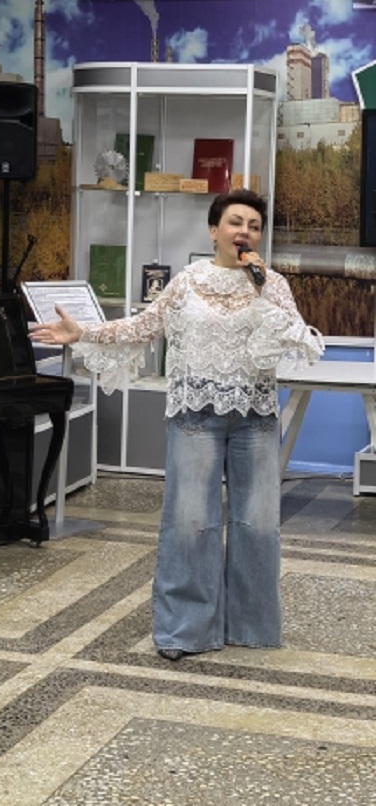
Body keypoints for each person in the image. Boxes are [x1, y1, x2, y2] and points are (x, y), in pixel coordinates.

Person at [29, 189, 324, 661]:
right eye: (236, 222)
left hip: (255, 418)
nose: (245, 231)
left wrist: (263, 287)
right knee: (190, 522)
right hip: (194, 416)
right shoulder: (186, 283)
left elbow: (298, 340)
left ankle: (251, 627)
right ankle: (185, 631)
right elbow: (142, 327)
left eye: (254, 226)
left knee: (258, 524)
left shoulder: (272, 284)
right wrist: (83, 332)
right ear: (214, 231)